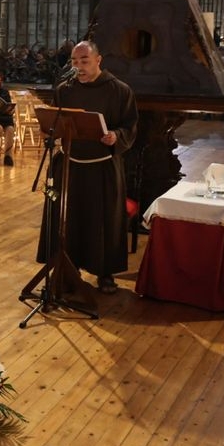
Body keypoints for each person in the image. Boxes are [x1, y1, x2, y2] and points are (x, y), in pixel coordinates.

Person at [35, 40, 138, 294]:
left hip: (102, 167)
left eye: (84, 61)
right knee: (67, 219)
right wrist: (49, 129)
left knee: (103, 220)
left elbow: (130, 127)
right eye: (74, 61)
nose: (78, 66)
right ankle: (69, 268)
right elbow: (56, 121)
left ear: (98, 60)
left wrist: (116, 136)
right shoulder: (65, 90)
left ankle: (105, 273)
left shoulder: (119, 90)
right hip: (70, 164)